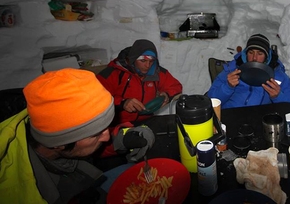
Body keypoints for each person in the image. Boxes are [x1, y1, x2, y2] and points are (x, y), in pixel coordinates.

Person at [0, 68, 154, 203]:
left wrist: (123, 138)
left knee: (130, 171)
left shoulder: (50, 126)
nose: (106, 137)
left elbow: (83, 145)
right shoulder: (22, 190)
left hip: (79, 178)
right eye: (96, 135)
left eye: (105, 128)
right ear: (59, 143)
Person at [96, 39, 182, 125]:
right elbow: (96, 97)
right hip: (118, 124)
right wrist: (122, 102)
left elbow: (175, 86)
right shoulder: (114, 73)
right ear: (133, 59)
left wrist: (167, 95)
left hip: (146, 121)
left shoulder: (156, 72)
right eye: (143, 61)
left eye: (151, 61)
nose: (147, 65)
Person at [207, 34, 290, 108]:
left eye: (260, 53)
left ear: (267, 57)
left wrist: (278, 96)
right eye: (251, 52)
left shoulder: (278, 76)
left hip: (260, 121)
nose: (254, 58)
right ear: (245, 54)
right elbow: (211, 100)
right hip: (230, 116)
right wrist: (227, 87)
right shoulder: (231, 70)